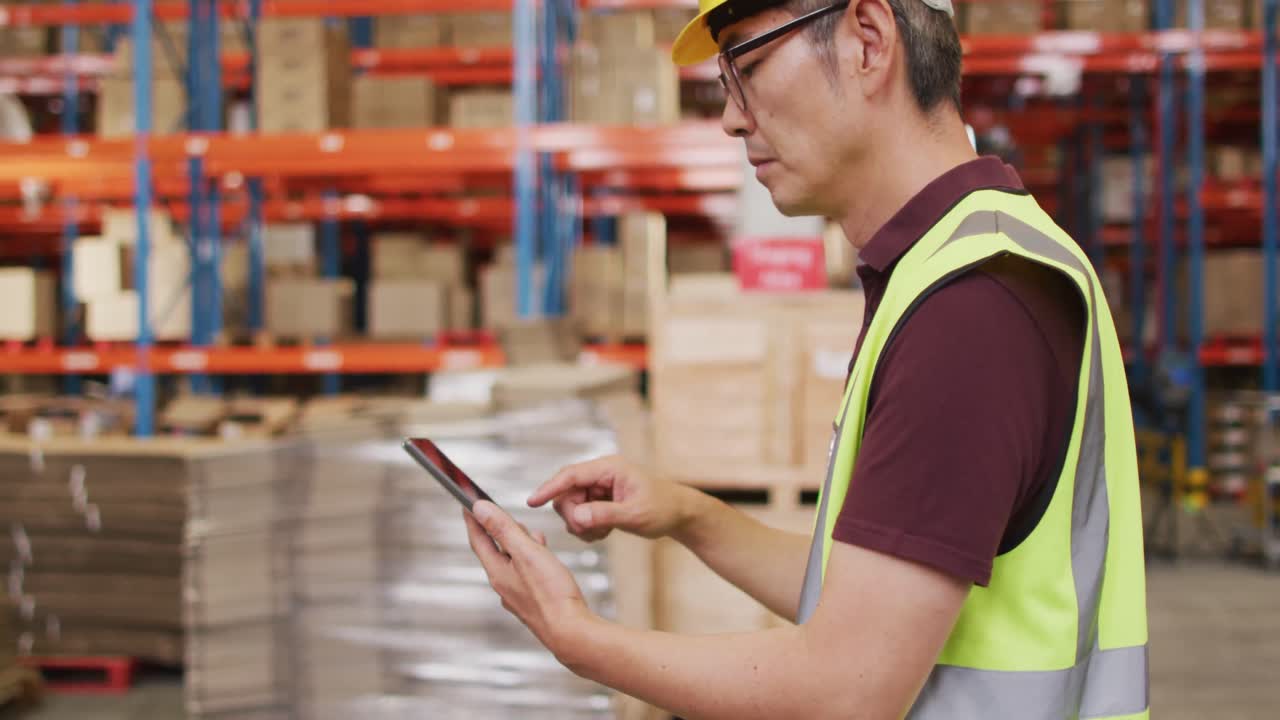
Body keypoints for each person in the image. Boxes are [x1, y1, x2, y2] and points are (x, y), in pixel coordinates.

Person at [462, 1, 1151, 717]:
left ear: (868, 41)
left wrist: (576, 638)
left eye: (748, 66)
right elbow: (870, 600)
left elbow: (844, 688)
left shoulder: (972, 307)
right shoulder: (962, 267)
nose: (730, 117)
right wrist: (689, 515)